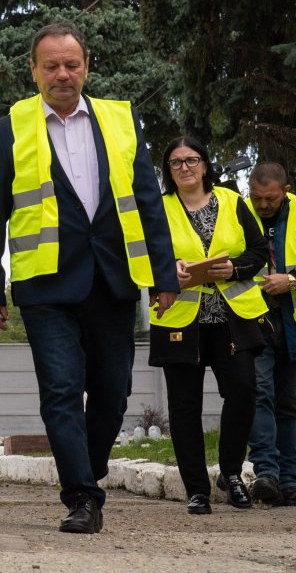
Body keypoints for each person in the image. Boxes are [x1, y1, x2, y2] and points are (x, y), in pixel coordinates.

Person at [0, 20, 179, 534]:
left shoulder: (120, 119)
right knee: (61, 391)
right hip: (45, 284)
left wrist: (163, 277)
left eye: (71, 64)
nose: (62, 74)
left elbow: (148, 202)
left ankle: (88, 472)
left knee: (112, 394)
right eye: (51, 66)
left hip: (112, 278)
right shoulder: (8, 129)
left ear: (86, 67)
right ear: (33, 70)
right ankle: (82, 496)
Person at [149, 136, 267, 514]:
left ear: (205, 164)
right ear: (168, 171)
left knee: (244, 392)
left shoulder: (233, 201)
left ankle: (231, 472)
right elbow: (139, 257)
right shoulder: (157, 208)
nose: (185, 168)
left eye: (192, 160)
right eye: (176, 162)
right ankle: (196, 489)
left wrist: (235, 268)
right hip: (180, 319)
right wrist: (167, 270)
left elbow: (260, 252)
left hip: (234, 318)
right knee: (184, 407)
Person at [245, 161, 296, 506]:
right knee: (258, 392)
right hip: (253, 318)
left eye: (271, 199)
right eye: (257, 197)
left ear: (286, 191)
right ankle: (267, 473)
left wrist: (290, 280)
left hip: (292, 321)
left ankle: (290, 482)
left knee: (290, 403)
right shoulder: (236, 212)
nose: (263, 205)